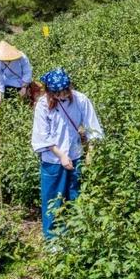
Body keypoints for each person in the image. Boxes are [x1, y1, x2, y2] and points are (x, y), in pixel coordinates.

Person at [31, 68, 104, 240]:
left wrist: (90, 153)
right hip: (52, 160)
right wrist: (61, 155)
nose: (62, 96)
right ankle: (53, 238)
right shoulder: (42, 105)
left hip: (76, 154)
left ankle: (76, 234)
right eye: (57, 93)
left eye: (65, 91)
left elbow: (93, 128)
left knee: (75, 195)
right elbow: (43, 136)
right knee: (53, 199)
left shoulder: (80, 100)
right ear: (50, 92)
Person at [0, 40, 33, 106]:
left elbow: (27, 71)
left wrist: (24, 87)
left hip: (22, 82)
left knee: (25, 103)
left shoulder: (21, 57)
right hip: (8, 84)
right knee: (11, 104)